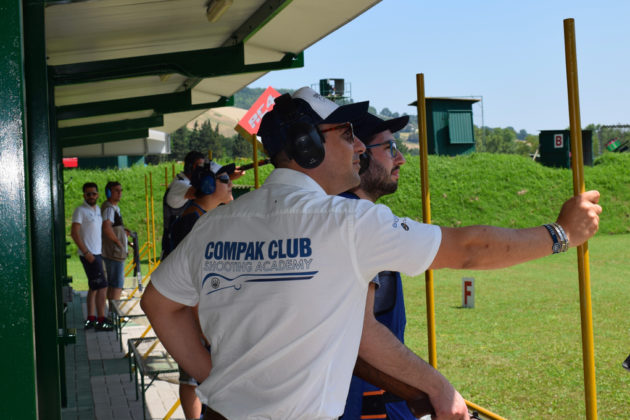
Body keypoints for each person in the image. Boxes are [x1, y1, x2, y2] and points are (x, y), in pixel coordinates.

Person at [140, 86, 601, 420]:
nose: (359, 146)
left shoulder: (219, 221)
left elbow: (158, 303)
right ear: (308, 145)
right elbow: (471, 248)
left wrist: (213, 375)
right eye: (346, 134)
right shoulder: (346, 223)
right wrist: (561, 233)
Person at [340, 112, 416, 420]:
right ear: (359, 154)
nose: (400, 160)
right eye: (390, 148)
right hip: (366, 403)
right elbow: (366, 335)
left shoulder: (342, 215)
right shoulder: (361, 222)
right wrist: (559, 234)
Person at [162, 160, 235, 420]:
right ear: (207, 185)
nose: (231, 184)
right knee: (193, 379)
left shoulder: (202, 218)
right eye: (225, 179)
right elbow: (192, 284)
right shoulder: (193, 221)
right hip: (194, 317)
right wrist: (203, 331)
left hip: (200, 315)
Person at [71, 182, 113, 332]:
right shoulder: (80, 211)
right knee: (103, 286)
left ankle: (91, 319)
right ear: (84, 195)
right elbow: (74, 233)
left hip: (97, 252)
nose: (91, 196)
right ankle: (101, 320)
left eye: (93, 193)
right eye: (88, 194)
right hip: (89, 255)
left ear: (98, 194)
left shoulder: (97, 211)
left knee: (94, 287)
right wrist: (86, 252)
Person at [161, 151, 205, 256]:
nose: (202, 170)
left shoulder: (186, 183)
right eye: (199, 166)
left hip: (184, 243)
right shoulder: (180, 185)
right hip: (174, 245)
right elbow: (200, 193)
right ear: (190, 167)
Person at [101, 181, 131, 313]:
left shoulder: (113, 208)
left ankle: (112, 313)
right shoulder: (108, 208)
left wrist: (123, 235)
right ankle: (114, 314)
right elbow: (107, 228)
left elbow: (113, 228)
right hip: (114, 252)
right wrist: (119, 243)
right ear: (108, 193)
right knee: (117, 285)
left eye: (120, 190)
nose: (120, 193)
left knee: (114, 284)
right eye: (116, 190)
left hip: (115, 251)